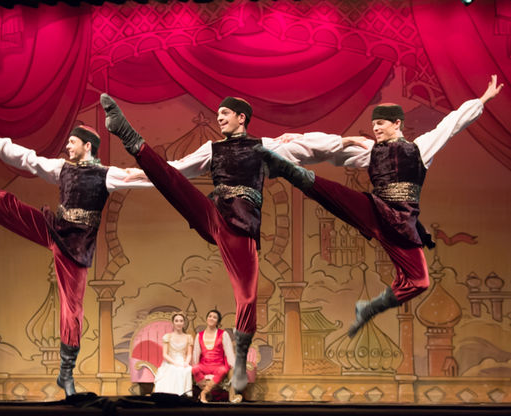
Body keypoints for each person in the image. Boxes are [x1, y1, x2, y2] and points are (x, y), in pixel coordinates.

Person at [99, 93, 366, 394]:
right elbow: (176, 170)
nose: (219, 118)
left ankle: (239, 357)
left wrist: (343, 143)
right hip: (214, 216)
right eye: (218, 114)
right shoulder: (211, 149)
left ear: (242, 117)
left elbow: (305, 147)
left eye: (225, 113)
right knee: (173, 184)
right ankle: (132, 139)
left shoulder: (263, 147)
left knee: (247, 297)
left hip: (241, 228)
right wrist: (142, 170)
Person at [255, 75, 504, 338]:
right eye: (373, 124)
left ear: (397, 123)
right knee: (336, 195)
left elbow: (450, 124)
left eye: (380, 123)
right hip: (375, 210)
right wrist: (297, 139)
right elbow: (330, 149)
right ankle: (288, 170)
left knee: (419, 281)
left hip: (402, 227)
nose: (375, 128)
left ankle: (371, 307)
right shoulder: (371, 151)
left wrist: (482, 100)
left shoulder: (419, 149)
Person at [0, 122, 152, 397]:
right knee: (9, 206)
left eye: (72, 142)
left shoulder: (106, 175)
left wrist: (174, 174)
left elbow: (146, 176)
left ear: (88, 146)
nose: (67, 146)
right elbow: (25, 158)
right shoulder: (60, 169)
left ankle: (66, 373)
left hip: (75, 249)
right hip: (55, 229)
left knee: (72, 311)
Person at [192, 309, 240, 403]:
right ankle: (207, 393)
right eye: (210, 316)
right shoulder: (199, 335)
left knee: (222, 370)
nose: (211, 318)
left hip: (218, 366)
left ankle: (203, 393)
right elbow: (196, 353)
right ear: (206, 319)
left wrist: (233, 366)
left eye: (214, 317)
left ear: (218, 321)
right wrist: (195, 366)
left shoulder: (223, 334)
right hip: (204, 365)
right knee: (194, 368)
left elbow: (229, 352)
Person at [152, 312, 193, 396]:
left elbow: (189, 354)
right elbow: (165, 354)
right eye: (176, 321)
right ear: (173, 322)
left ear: (184, 323)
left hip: (183, 362)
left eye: (181, 321)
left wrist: (186, 363)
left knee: (187, 370)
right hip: (170, 362)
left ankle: (183, 396)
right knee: (174, 370)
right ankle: (171, 396)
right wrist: (175, 363)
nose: (179, 323)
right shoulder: (168, 337)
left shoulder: (188, 337)